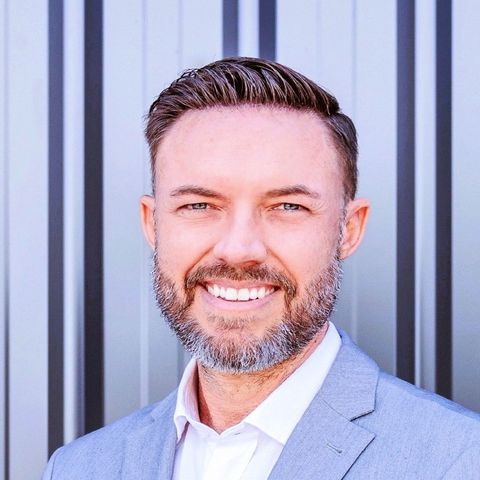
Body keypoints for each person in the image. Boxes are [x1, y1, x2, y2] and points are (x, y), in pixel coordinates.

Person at [43, 57, 480, 479]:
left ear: (348, 229)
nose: (239, 250)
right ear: (152, 224)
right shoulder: (78, 468)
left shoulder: (460, 460)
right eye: (199, 205)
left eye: (287, 206)